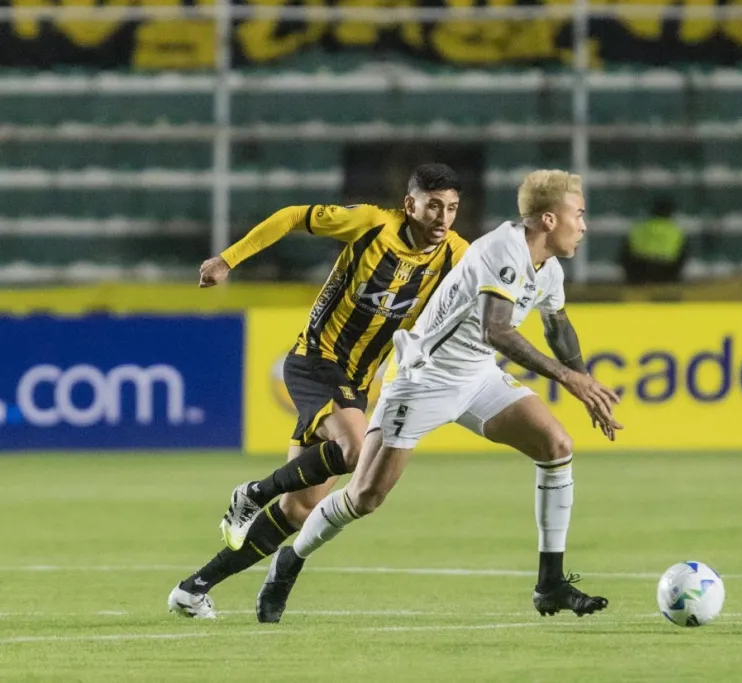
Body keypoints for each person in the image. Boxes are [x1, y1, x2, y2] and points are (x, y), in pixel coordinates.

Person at [234, 169, 622, 624]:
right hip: (423, 378)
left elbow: (557, 324)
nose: (585, 224)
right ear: (551, 220)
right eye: (579, 214)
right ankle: (290, 561)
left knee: (557, 447)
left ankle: (550, 583)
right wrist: (569, 380)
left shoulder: (548, 268)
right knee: (364, 498)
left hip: (477, 376)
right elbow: (495, 329)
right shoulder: (503, 250)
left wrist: (584, 382)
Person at [167, 163, 469, 619]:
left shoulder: (456, 255)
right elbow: (291, 215)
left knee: (299, 509)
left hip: (357, 384)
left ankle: (193, 589)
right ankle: (251, 493)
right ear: (410, 205)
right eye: (433, 207)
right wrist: (227, 259)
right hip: (315, 360)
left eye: (451, 209)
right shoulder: (370, 224)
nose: (442, 219)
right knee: (355, 451)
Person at [620, 197, 686, 284]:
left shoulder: (639, 228)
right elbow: (682, 256)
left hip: (641, 272)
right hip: (666, 272)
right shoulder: (676, 231)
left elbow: (625, 253)